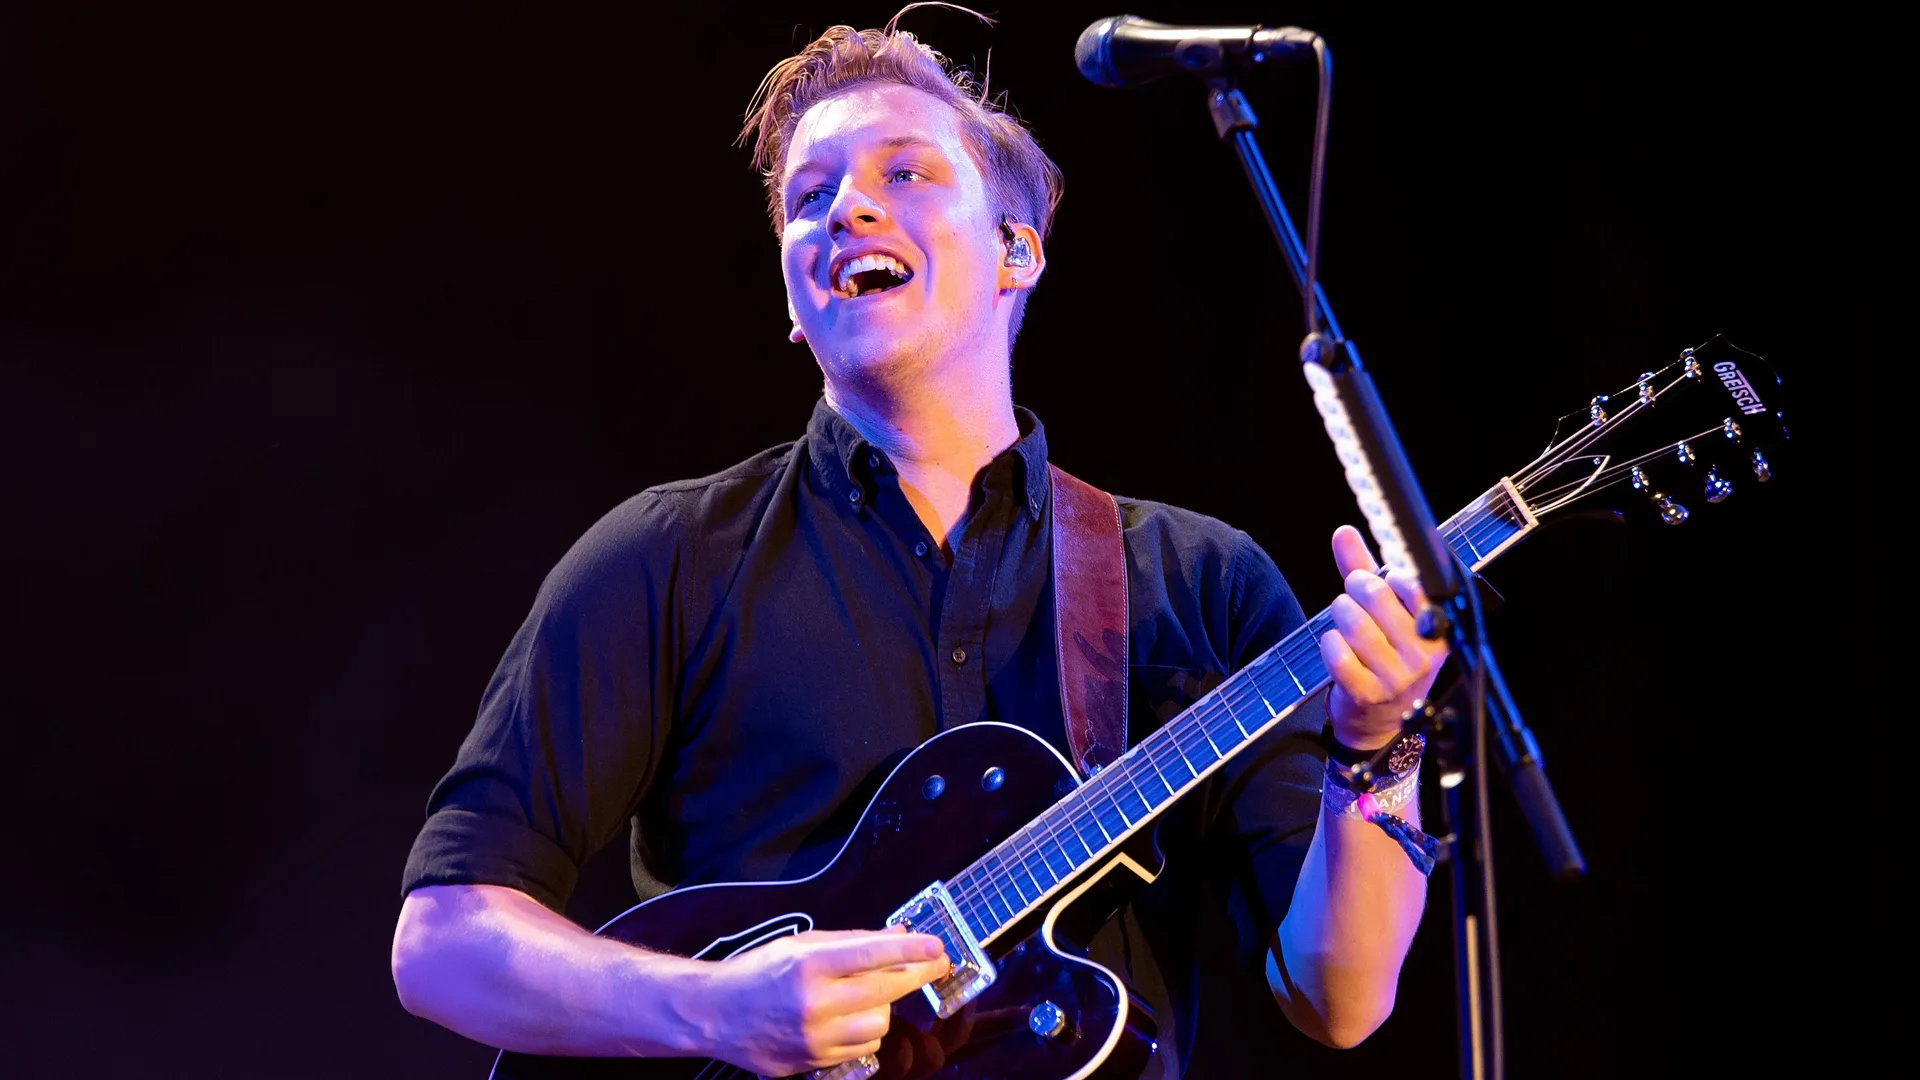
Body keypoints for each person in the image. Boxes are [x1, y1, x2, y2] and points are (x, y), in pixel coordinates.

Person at [390, 13, 1443, 1078]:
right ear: (797, 303)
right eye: (811, 197)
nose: (848, 208)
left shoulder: (1197, 582)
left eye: (906, 173)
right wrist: (714, 1009)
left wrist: (1383, 745)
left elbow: (1341, 997)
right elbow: (442, 943)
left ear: (1016, 251)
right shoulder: (668, 559)